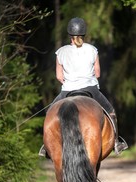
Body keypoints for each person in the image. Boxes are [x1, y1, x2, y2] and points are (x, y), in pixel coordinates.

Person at [39, 17, 128, 156]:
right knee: (111, 112)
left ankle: (45, 146)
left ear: (70, 36)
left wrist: (70, 82)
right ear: (84, 35)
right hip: (90, 89)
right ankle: (117, 142)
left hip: (67, 89)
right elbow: (97, 73)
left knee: (49, 114)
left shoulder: (61, 52)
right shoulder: (92, 50)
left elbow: (59, 76)